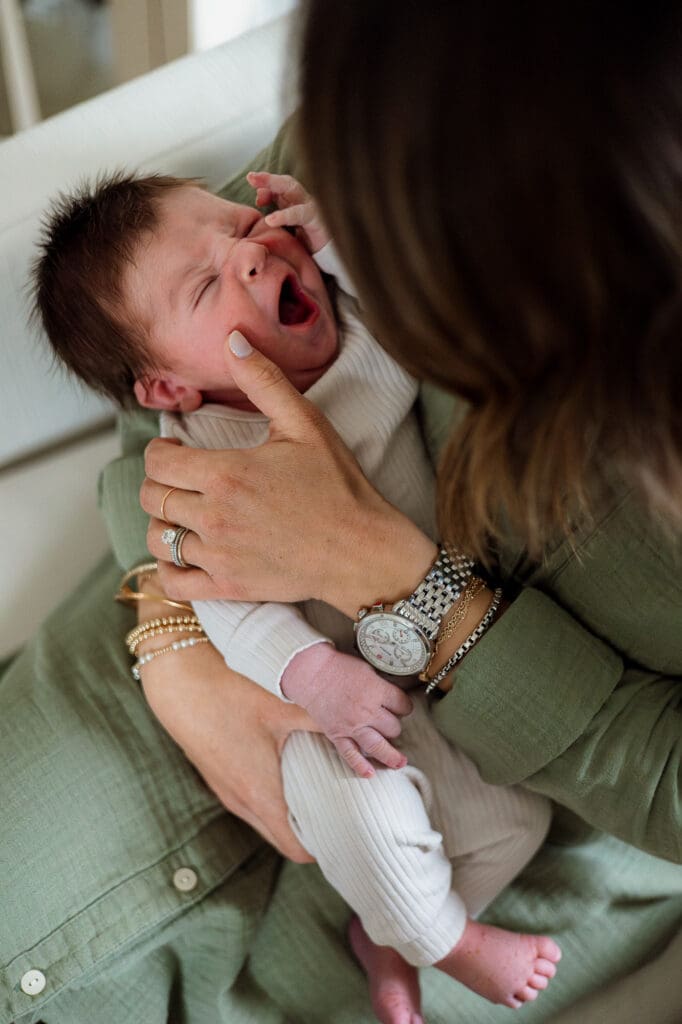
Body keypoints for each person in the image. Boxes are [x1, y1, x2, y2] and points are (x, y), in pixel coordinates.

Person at [127, 0, 680, 1021]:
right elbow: (148, 336)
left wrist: (400, 585)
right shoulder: (431, 75)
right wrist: (176, 642)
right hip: (183, 667)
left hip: (509, 825)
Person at [33, 167, 561, 1019]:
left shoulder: (361, 327)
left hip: (457, 660)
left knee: (514, 826)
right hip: (320, 707)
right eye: (208, 283)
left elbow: (412, 285)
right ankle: (442, 942)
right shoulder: (204, 457)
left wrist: (337, 235)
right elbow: (222, 601)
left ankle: (386, 934)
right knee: (348, 802)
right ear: (169, 389)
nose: (249, 257)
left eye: (245, 225)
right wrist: (310, 673)